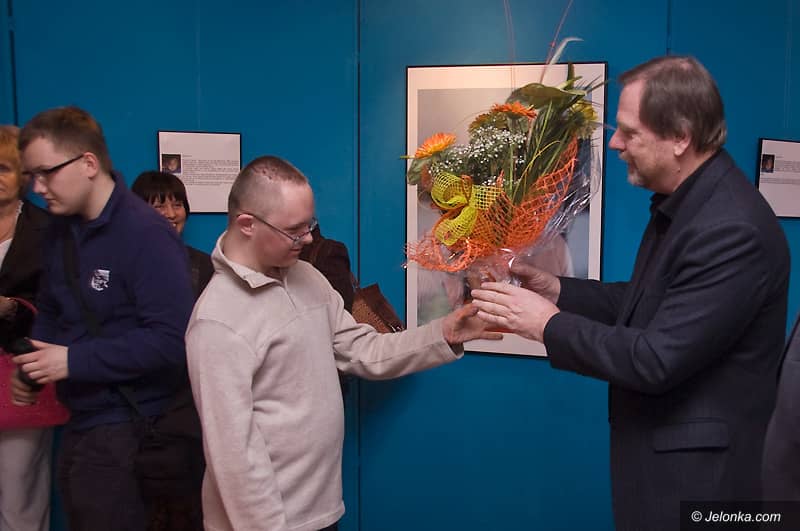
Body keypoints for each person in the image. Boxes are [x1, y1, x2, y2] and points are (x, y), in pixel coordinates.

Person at [471, 56, 790, 531]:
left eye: (629, 132)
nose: (615, 143)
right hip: (670, 473)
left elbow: (655, 359)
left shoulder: (730, 228)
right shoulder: (691, 204)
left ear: (680, 137)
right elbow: (650, 304)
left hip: (702, 487)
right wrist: (556, 289)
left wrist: (544, 324)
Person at [185, 155, 500, 531]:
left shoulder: (307, 277)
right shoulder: (217, 321)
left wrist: (443, 333)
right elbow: (233, 455)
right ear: (247, 224)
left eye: (310, 225)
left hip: (321, 512)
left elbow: (363, 350)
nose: (308, 239)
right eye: (294, 230)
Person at [11, 106, 195, 531]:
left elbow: (171, 340)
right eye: (32, 176)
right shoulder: (59, 230)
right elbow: (53, 308)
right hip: (83, 424)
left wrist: (72, 361)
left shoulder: (146, 233)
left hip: (133, 429)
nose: (37, 188)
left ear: (89, 163)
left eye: (46, 173)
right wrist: (34, 367)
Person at [0, 125, 52, 531]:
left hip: (19, 371)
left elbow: (61, 306)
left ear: (23, 174)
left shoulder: (47, 230)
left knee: (20, 494)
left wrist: (13, 308)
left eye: (4, 167)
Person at [132, 170, 213, 298]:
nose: (171, 214)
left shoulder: (204, 265)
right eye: (159, 206)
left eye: (177, 205)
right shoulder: (123, 263)